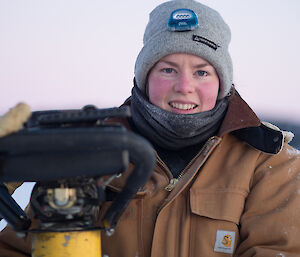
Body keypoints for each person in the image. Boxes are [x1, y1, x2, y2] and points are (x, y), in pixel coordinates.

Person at [0, 0, 300, 256]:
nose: (185, 87)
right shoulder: (89, 154)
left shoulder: (270, 162)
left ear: (223, 82)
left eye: (202, 72)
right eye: (168, 69)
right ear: (144, 77)